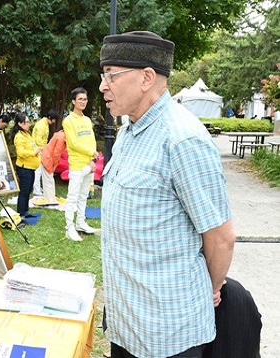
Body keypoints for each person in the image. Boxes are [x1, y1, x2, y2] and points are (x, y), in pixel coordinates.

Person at [99, 31, 235, 357]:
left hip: (167, 333)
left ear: (147, 78)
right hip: (126, 321)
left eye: (111, 76)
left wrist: (212, 286)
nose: (103, 86)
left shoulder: (182, 139)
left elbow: (220, 236)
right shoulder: (129, 130)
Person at [62, 87, 99, 241]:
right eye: (80, 99)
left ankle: (80, 223)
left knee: (84, 196)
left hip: (88, 165)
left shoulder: (87, 120)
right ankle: (69, 227)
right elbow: (74, 143)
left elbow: (92, 141)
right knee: (73, 197)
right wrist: (92, 153)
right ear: (73, 101)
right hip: (77, 165)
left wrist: (92, 159)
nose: (83, 102)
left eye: (85, 99)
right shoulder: (68, 121)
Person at [11, 113, 41, 220]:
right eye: (26, 122)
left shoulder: (26, 134)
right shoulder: (19, 136)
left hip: (30, 167)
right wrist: (34, 152)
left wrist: (37, 150)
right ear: (19, 123)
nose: (28, 124)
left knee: (28, 190)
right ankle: (21, 213)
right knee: (24, 191)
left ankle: (25, 210)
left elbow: (32, 145)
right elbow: (21, 152)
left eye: (28, 121)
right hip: (24, 168)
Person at [32, 109, 58, 196]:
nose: (54, 121)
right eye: (54, 119)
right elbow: (38, 140)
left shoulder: (45, 124)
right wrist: (45, 149)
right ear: (50, 118)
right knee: (38, 171)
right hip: (38, 149)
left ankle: (38, 188)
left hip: (42, 149)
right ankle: (36, 190)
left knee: (41, 170)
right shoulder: (41, 125)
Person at [38, 129, 66, 204]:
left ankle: (51, 198)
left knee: (49, 179)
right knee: (48, 180)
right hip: (48, 158)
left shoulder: (61, 134)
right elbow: (56, 153)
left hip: (48, 157)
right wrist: (54, 165)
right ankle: (49, 200)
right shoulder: (62, 137)